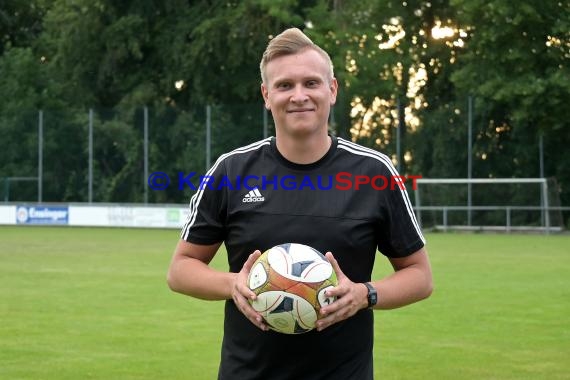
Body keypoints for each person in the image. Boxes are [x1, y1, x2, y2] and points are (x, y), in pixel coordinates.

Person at [167, 27, 433, 380]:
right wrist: (232, 284)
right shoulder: (232, 170)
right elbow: (181, 269)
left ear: (332, 89)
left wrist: (364, 294)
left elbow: (420, 275)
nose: (299, 96)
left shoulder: (374, 172)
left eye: (311, 83)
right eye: (284, 85)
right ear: (266, 95)